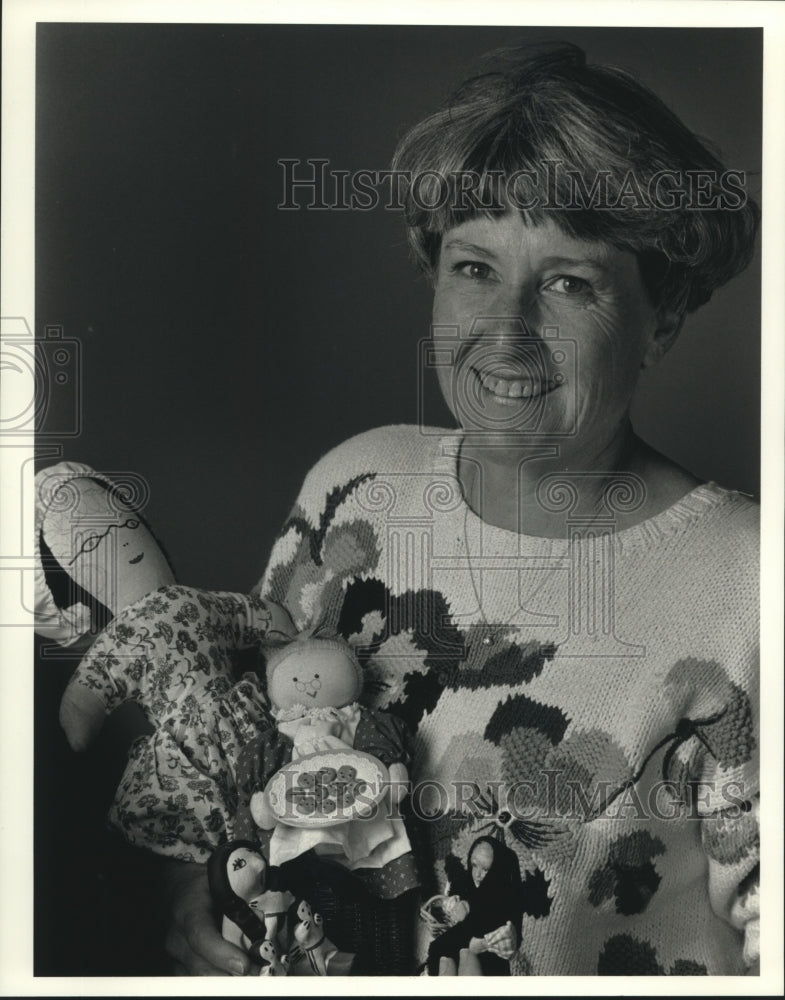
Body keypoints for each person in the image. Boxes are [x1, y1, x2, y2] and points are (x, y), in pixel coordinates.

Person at [64, 42, 760, 975]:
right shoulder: (355, 484)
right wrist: (198, 885)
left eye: (568, 283)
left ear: (663, 316)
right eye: (475, 268)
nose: (506, 332)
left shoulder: (751, 582)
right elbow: (236, 759)